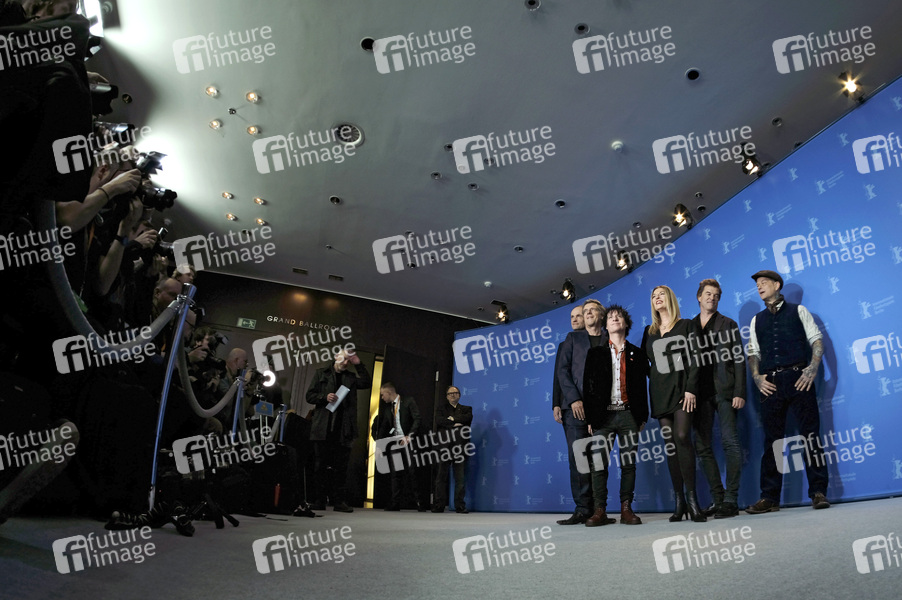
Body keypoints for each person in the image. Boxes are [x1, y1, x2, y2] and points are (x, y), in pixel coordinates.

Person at [745, 270, 829, 514]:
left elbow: (816, 340)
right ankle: (769, 497)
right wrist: (757, 378)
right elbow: (753, 352)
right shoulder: (756, 320)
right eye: (757, 285)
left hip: (798, 379)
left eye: (764, 283)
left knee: (810, 436)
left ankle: (818, 492)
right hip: (770, 383)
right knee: (772, 441)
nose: (759, 287)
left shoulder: (799, 311)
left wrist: (812, 368)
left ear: (777, 285)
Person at [641, 285, 705, 522]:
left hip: (681, 390)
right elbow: (644, 364)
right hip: (659, 393)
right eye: (653, 295)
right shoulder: (649, 331)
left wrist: (690, 388)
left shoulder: (686, 325)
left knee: (682, 436)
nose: (657, 298)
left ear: (669, 298)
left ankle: (692, 500)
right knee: (670, 446)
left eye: (661, 294)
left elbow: (697, 358)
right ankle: (679, 503)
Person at [582, 306, 649, 526]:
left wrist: (643, 416)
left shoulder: (638, 353)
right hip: (603, 417)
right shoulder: (595, 353)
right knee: (598, 464)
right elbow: (588, 388)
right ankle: (599, 510)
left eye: (619, 316)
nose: (615, 319)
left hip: (629, 415)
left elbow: (642, 387)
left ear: (626, 324)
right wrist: (590, 419)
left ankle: (626, 509)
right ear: (605, 326)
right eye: (610, 317)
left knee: (629, 464)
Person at [691, 279, 746, 519]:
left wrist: (739, 392)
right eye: (708, 294)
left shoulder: (728, 323)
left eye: (715, 295)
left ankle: (731, 500)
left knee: (730, 442)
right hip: (699, 395)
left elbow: (739, 359)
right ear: (699, 297)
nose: (712, 298)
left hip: (725, 390)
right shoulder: (690, 326)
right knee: (702, 447)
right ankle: (718, 498)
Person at [555, 298, 608, 525]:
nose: (587, 313)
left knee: (599, 460)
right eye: (584, 311)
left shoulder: (610, 339)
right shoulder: (573, 338)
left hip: (603, 410)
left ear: (601, 315)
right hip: (575, 409)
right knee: (579, 458)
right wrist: (574, 399)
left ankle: (598, 510)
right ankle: (582, 508)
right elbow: (562, 371)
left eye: (592, 310)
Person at [306, 349, 371, 513]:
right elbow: (309, 396)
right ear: (336, 357)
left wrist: (359, 364)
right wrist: (324, 397)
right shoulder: (321, 373)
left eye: (348, 360)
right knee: (320, 466)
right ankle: (319, 500)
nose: (345, 362)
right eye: (343, 359)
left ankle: (338, 502)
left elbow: (367, 382)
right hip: (323, 427)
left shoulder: (350, 377)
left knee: (341, 468)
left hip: (343, 428)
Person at [371, 382, 424, 511]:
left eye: (383, 394)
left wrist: (410, 435)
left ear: (389, 393)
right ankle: (395, 503)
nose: (382, 397)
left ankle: (420, 503)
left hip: (409, 441)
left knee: (413, 472)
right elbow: (383, 427)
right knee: (395, 474)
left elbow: (417, 419)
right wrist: (379, 446)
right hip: (396, 442)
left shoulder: (408, 401)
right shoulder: (388, 408)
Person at [432, 385, 473, 513]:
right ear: (447, 396)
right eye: (450, 393)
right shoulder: (441, 409)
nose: (452, 395)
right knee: (441, 477)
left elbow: (467, 419)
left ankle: (460, 505)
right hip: (444, 448)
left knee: (460, 478)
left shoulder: (466, 409)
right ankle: (439, 505)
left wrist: (451, 419)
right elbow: (439, 421)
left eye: (455, 393)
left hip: (460, 448)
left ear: (459, 395)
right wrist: (455, 424)